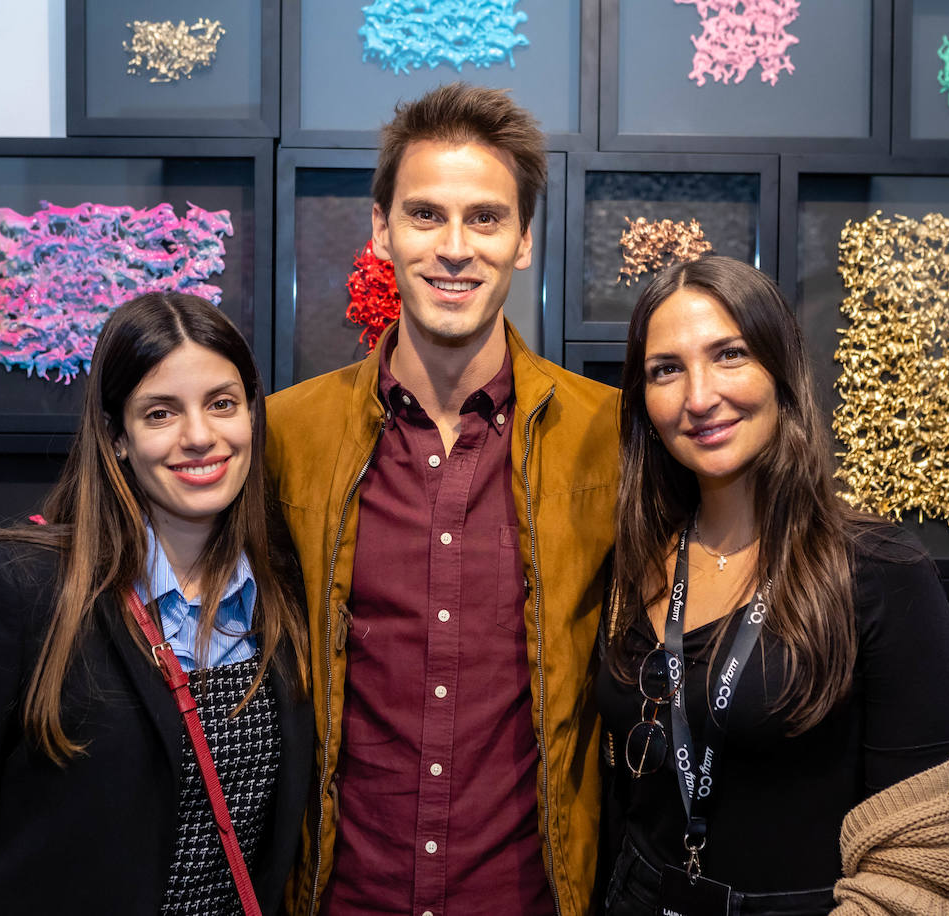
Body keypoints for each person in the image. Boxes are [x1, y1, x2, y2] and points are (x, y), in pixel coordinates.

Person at [265, 83, 620, 915]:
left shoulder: (607, 436)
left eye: (486, 218)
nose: (454, 247)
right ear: (381, 230)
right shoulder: (287, 435)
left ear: (525, 240)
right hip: (339, 898)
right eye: (425, 215)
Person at [0, 293, 312, 915]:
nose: (200, 436)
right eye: (160, 413)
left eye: (222, 404)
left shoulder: (282, 594)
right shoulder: (19, 586)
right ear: (116, 436)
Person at [597, 257, 949, 915]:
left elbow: (917, 865)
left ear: (780, 370)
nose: (699, 397)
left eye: (730, 354)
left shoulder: (882, 573)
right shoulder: (632, 557)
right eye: (665, 369)